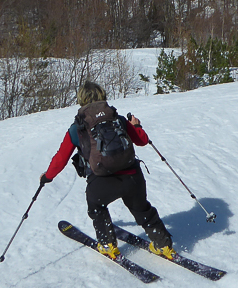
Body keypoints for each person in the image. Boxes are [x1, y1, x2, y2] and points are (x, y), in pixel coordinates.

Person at [40, 81, 175, 259]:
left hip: (102, 182)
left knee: (96, 206)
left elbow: (60, 159)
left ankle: (108, 245)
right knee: (142, 209)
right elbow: (142, 141)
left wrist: (47, 177)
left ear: (81, 100)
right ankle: (163, 245)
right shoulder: (118, 119)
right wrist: (136, 126)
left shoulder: (77, 129)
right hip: (133, 177)